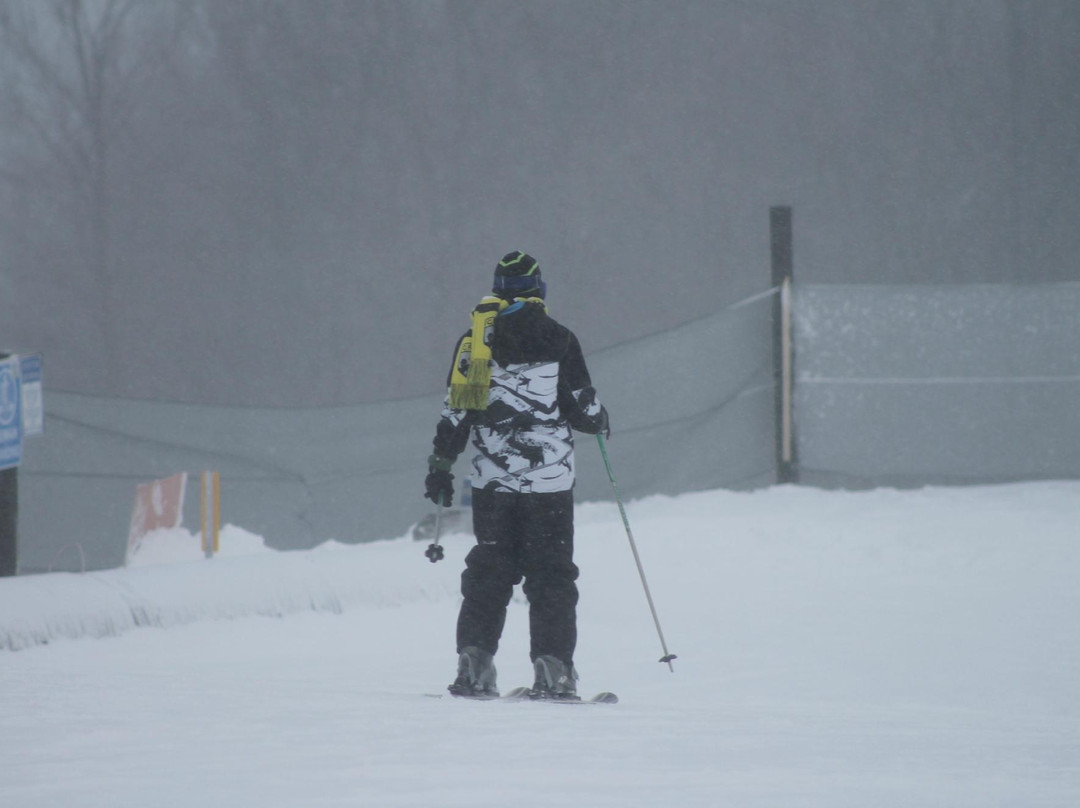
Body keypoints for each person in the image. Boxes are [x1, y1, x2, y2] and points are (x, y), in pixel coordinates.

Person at [424, 251, 609, 700]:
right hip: (548, 486)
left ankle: (474, 662)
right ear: (538, 289)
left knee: (490, 571)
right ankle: (553, 670)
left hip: (492, 486)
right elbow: (582, 412)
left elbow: (456, 415)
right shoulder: (559, 339)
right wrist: (601, 417)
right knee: (550, 576)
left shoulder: (475, 342)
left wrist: (441, 469)